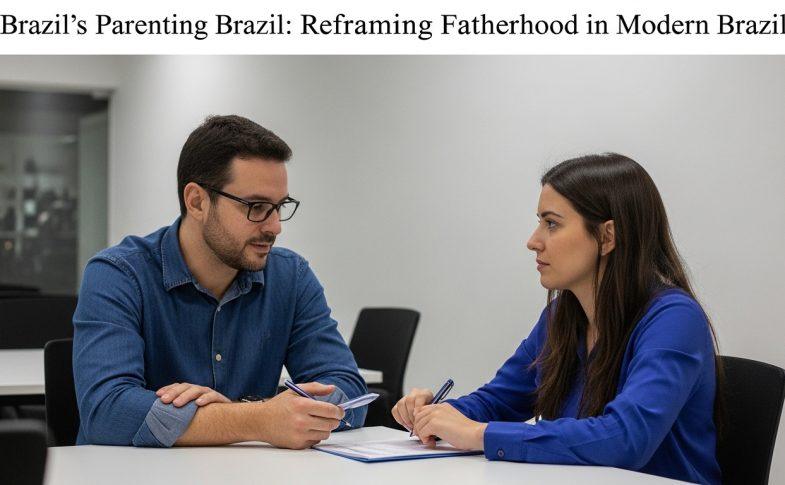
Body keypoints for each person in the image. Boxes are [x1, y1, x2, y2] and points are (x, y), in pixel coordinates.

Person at [392, 153, 721, 485]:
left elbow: (625, 438)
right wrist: (435, 415)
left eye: (551, 223)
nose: (533, 241)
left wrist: (480, 434)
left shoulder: (675, 319)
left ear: (607, 237)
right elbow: (500, 399)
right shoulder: (561, 315)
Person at [73, 115, 367, 449]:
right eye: (256, 206)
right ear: (197, 201)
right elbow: (107, 412)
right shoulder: (119, 274)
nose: (274, 227)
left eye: (279, 207)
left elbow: (350, 391)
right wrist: (258, 418)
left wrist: (253, 415)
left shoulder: (291, 277)